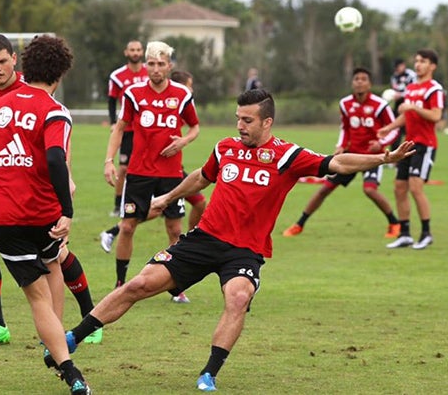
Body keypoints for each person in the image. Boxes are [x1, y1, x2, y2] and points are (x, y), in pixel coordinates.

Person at [54, 89, 414, 392]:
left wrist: (382, 158)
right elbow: (201, 177)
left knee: (238, 297)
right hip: (204, 240)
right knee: (141, 283)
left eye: (247, 120)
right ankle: (73, 337)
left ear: (266, 122)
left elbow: (337, 163)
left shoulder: (288, 156)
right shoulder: (226, 147)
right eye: (238, 118)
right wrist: (167, 198)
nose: (239, 125)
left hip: (245, 251)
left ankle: (209, 373)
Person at [0, 35, 91, 395]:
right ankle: (63, 357)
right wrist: (67, 210)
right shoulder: (55, 111)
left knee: (38, 293)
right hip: (45, 215)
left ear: (22, 65)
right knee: (53, 267)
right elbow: (55, 159)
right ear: (60, 73)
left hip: (5, 218)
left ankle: (64, 360)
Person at [103, 41, 200, 304]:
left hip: (170, 174)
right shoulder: (134, 94)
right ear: (146, 65)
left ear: (169, 66)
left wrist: (183, 141)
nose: (156, 69)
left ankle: (176, 286)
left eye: (161, 64)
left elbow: (194, 127)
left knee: (174, 228)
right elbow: (119, 128)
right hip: (139, 172)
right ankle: (120, 283)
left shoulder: (182, 94)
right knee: (127, 226)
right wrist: (109, 161)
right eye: (152, 64)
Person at [99, 70, 208, 268]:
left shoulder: (181, 102)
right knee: (182, 205)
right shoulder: (149, 98)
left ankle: (191, 239)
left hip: (173, 168)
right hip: (152, 169)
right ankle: (116, 231)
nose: (190, 90)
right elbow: (124, 127)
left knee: (186, 207)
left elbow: (193, 127)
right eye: (189, 85)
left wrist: (183, 141)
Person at [282, 67, 401, 238]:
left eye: (363, 79)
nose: (359, 81)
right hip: (351, 156)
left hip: (373, 157)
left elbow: (394, 129)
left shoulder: (380, 105)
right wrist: (341, 146)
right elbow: (345, 128)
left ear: (369, 84)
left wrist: (381, 143)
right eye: (356, 79)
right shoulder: (345, 104)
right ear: (352, 83)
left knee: (370, 190)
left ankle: (394, 223)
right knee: (325, 189)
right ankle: (299, 224)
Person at [378, 49, 444, 250]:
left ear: (432, 66)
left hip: (425, 145)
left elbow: (435, 116)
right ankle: (405, 234)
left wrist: (413, 108)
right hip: (409, 144)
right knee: (399, 188)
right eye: (416, 61)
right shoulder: (411, 87)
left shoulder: (434, 89)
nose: (418, 64)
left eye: (423, 61)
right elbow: (406, 116)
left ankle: (426, 233)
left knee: (416, 188)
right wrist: (388, 128)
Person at [106, 40, 148, 217]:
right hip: (128, 129)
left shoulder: (150, 72)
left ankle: (159, 202)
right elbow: (112, 100)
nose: (136, 52)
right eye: (132, 50)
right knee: (124, 168)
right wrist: (113, 122)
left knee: (149, 166)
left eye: (138, 49)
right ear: (126, 52)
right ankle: (118, 204)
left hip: (147, 129)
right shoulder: (118, 76)